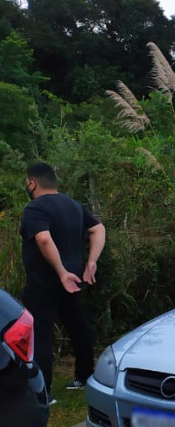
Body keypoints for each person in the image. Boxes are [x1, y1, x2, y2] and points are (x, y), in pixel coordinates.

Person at [20, 162, 106, 394]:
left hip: (44, 283)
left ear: (32, 183)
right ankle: (85, 376)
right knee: (79, 328)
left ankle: (43, 392)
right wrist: (91, 262)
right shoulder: (74, 205)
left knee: (40, 334)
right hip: (74, 281)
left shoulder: (35, 208)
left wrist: (60, 272)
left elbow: (44, 239)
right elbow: (98, 229)